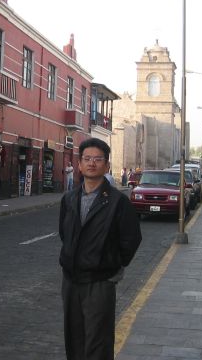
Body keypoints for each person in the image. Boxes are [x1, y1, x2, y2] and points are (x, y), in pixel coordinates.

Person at [59, 138, 142, 360]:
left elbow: (131, 239)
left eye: (98, 159)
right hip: (71, 281)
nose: (92, 163)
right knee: (74, 340)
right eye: (87, 159)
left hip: (100, 283)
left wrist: (112, 264)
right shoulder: (69, 199)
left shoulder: (117, 202)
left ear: (106, 165)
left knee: (98, 344)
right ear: (79, 164)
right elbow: (64, 233)